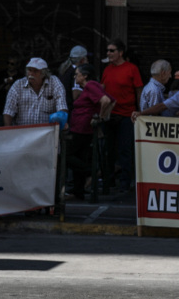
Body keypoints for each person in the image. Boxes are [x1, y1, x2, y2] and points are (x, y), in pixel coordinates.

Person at [102, 40, 145, 191]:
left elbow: (139, 90)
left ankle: (125, 182)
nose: (108, 53)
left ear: (120, 53)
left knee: (125, 150)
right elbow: (102, 90)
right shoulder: (107, 69)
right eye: (107, 51)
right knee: (108, 150)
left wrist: (140, 111)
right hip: (109, 115)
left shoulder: (131, 69)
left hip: (126, 115)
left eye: (112, 51)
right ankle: (109, 181)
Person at [67, 64, 114, 201]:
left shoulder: (90, 85)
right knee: (79, 157)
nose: (75, 76)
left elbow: (106, 101)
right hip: (82, 128)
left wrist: (100, 117)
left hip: (81, 128)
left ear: (85, 75)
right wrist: (103, 117)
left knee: (66, 155)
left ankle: (91, 171)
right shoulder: (94, 86)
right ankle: (78, 192)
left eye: (77, 74)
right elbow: (112, 101)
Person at [3, 58, 68, 126]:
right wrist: (7, 130)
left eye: (35, 71)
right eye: (29, 70)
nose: (31, 74)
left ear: (44, 74)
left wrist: (61, 121)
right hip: (22, 132)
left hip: (47, 131)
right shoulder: (18, 85)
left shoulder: (54, 82)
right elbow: (8, 111)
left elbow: (62, 107)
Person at [58, 45, 89, 110]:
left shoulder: (65, 70)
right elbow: (76, 94)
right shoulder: (76, 72)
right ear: (82, 60)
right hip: (71, 109)